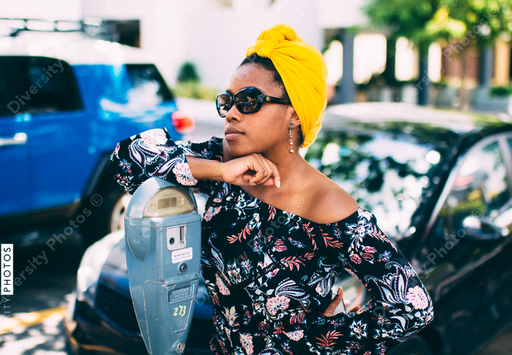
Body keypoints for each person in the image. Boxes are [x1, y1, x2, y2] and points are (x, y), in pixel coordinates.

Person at [109, 24, 433, 355]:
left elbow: (412, 307)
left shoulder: (328, 204)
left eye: (249, 101)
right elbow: (127, 158)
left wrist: (322, 337)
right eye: (227, 101)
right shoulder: (225, 163)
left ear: (293, 114)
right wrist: (220, 171)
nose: (231, 113)